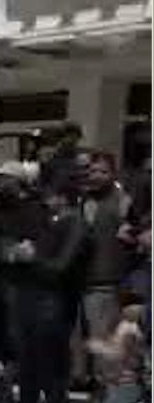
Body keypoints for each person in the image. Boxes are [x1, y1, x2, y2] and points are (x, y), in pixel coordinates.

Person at [0, 166, 88, 403]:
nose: (45, 200)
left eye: (50, 195)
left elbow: (61, 267)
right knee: (28, 376)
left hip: (52, 306)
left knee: (52, 379)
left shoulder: (75, 222)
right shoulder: (47, 220)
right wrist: (15, 254)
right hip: (28, 301)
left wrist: (30, 257)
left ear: (63, 196)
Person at [73, 152, 133, 389]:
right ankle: (82, 382)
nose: (96, 176)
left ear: (113, 174)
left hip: (105, 281)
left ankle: (107, 394)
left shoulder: (123, 202)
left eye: (103, 171)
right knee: (78, 342)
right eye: (92, 171)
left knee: (102, 342)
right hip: (79, 280)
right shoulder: (82, 200)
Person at [89, 299, 147, 403]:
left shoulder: (128, 331)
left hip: (125, 394)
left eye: (107, 315)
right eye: (102, 316)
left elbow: (134, 359)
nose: (104, 319)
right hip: (117, 399)